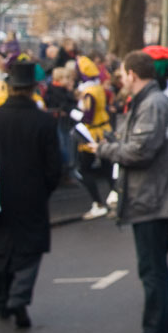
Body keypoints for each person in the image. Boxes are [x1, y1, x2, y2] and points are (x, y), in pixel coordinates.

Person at [92, 50, 168, 333]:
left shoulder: (152, 104)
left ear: (133, 74)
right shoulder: (159, 101)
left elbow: (139, 151)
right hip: (160, 196)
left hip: (153, 199)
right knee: (156, 270)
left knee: (152, 271)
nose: (120, 79)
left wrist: (104, 148)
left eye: (122, 74)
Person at [0, 61, 61, 329]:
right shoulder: (44, 121)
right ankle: (19, 296)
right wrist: (45, 188)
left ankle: (0, 299)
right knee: (30, 249)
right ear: (33, 89)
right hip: (32, 192)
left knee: (1, 248)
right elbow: (54, 166)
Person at [72, 55, 114, 218]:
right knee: (106, 167)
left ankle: (99, 203)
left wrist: (73, 113)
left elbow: (87, 117)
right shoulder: (97, 87)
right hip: (102, 131)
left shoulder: (89, 91)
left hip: (91, 134)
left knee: (85, 169)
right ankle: (115, 198)